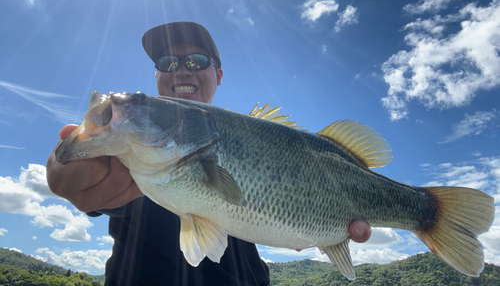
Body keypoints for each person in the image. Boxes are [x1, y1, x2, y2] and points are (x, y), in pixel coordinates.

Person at [46, 22, 371, 285]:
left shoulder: (247, 139)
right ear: (156, 75)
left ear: (218, 74)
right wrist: (65, 171)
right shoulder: (127, 153)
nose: (182, 70)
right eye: (167, 63)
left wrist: (326, 227)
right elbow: (80, 173)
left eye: (196, 61)